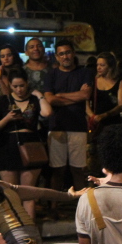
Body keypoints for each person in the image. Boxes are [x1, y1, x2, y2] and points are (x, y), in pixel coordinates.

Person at [0, 68, 52, 219]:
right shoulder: (4, 101)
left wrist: (38, 95)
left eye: (22, 86)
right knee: (10, 194)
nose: (19, 90)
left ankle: (30, 233)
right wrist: (7, 118)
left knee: (28, 193)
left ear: (27, 84)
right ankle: (14, 231)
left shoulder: (33, 99)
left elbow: (47, 113)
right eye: (15, 86)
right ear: (10, 86)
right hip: (8, 146)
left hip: (30, 146)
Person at [44, 40, 93, 192]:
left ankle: (82, 205)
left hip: (77, 126)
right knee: (57, 170)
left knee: (78, 169)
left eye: (68, 52)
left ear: (73, 54)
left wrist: (60, 96)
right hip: (56, 127)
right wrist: (73, 96)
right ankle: (54, 207)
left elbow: (86, 95)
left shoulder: (84, 72)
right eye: (61, 54)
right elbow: (50, 99)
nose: (65, 56)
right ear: (57, 57)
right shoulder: (51, 74)